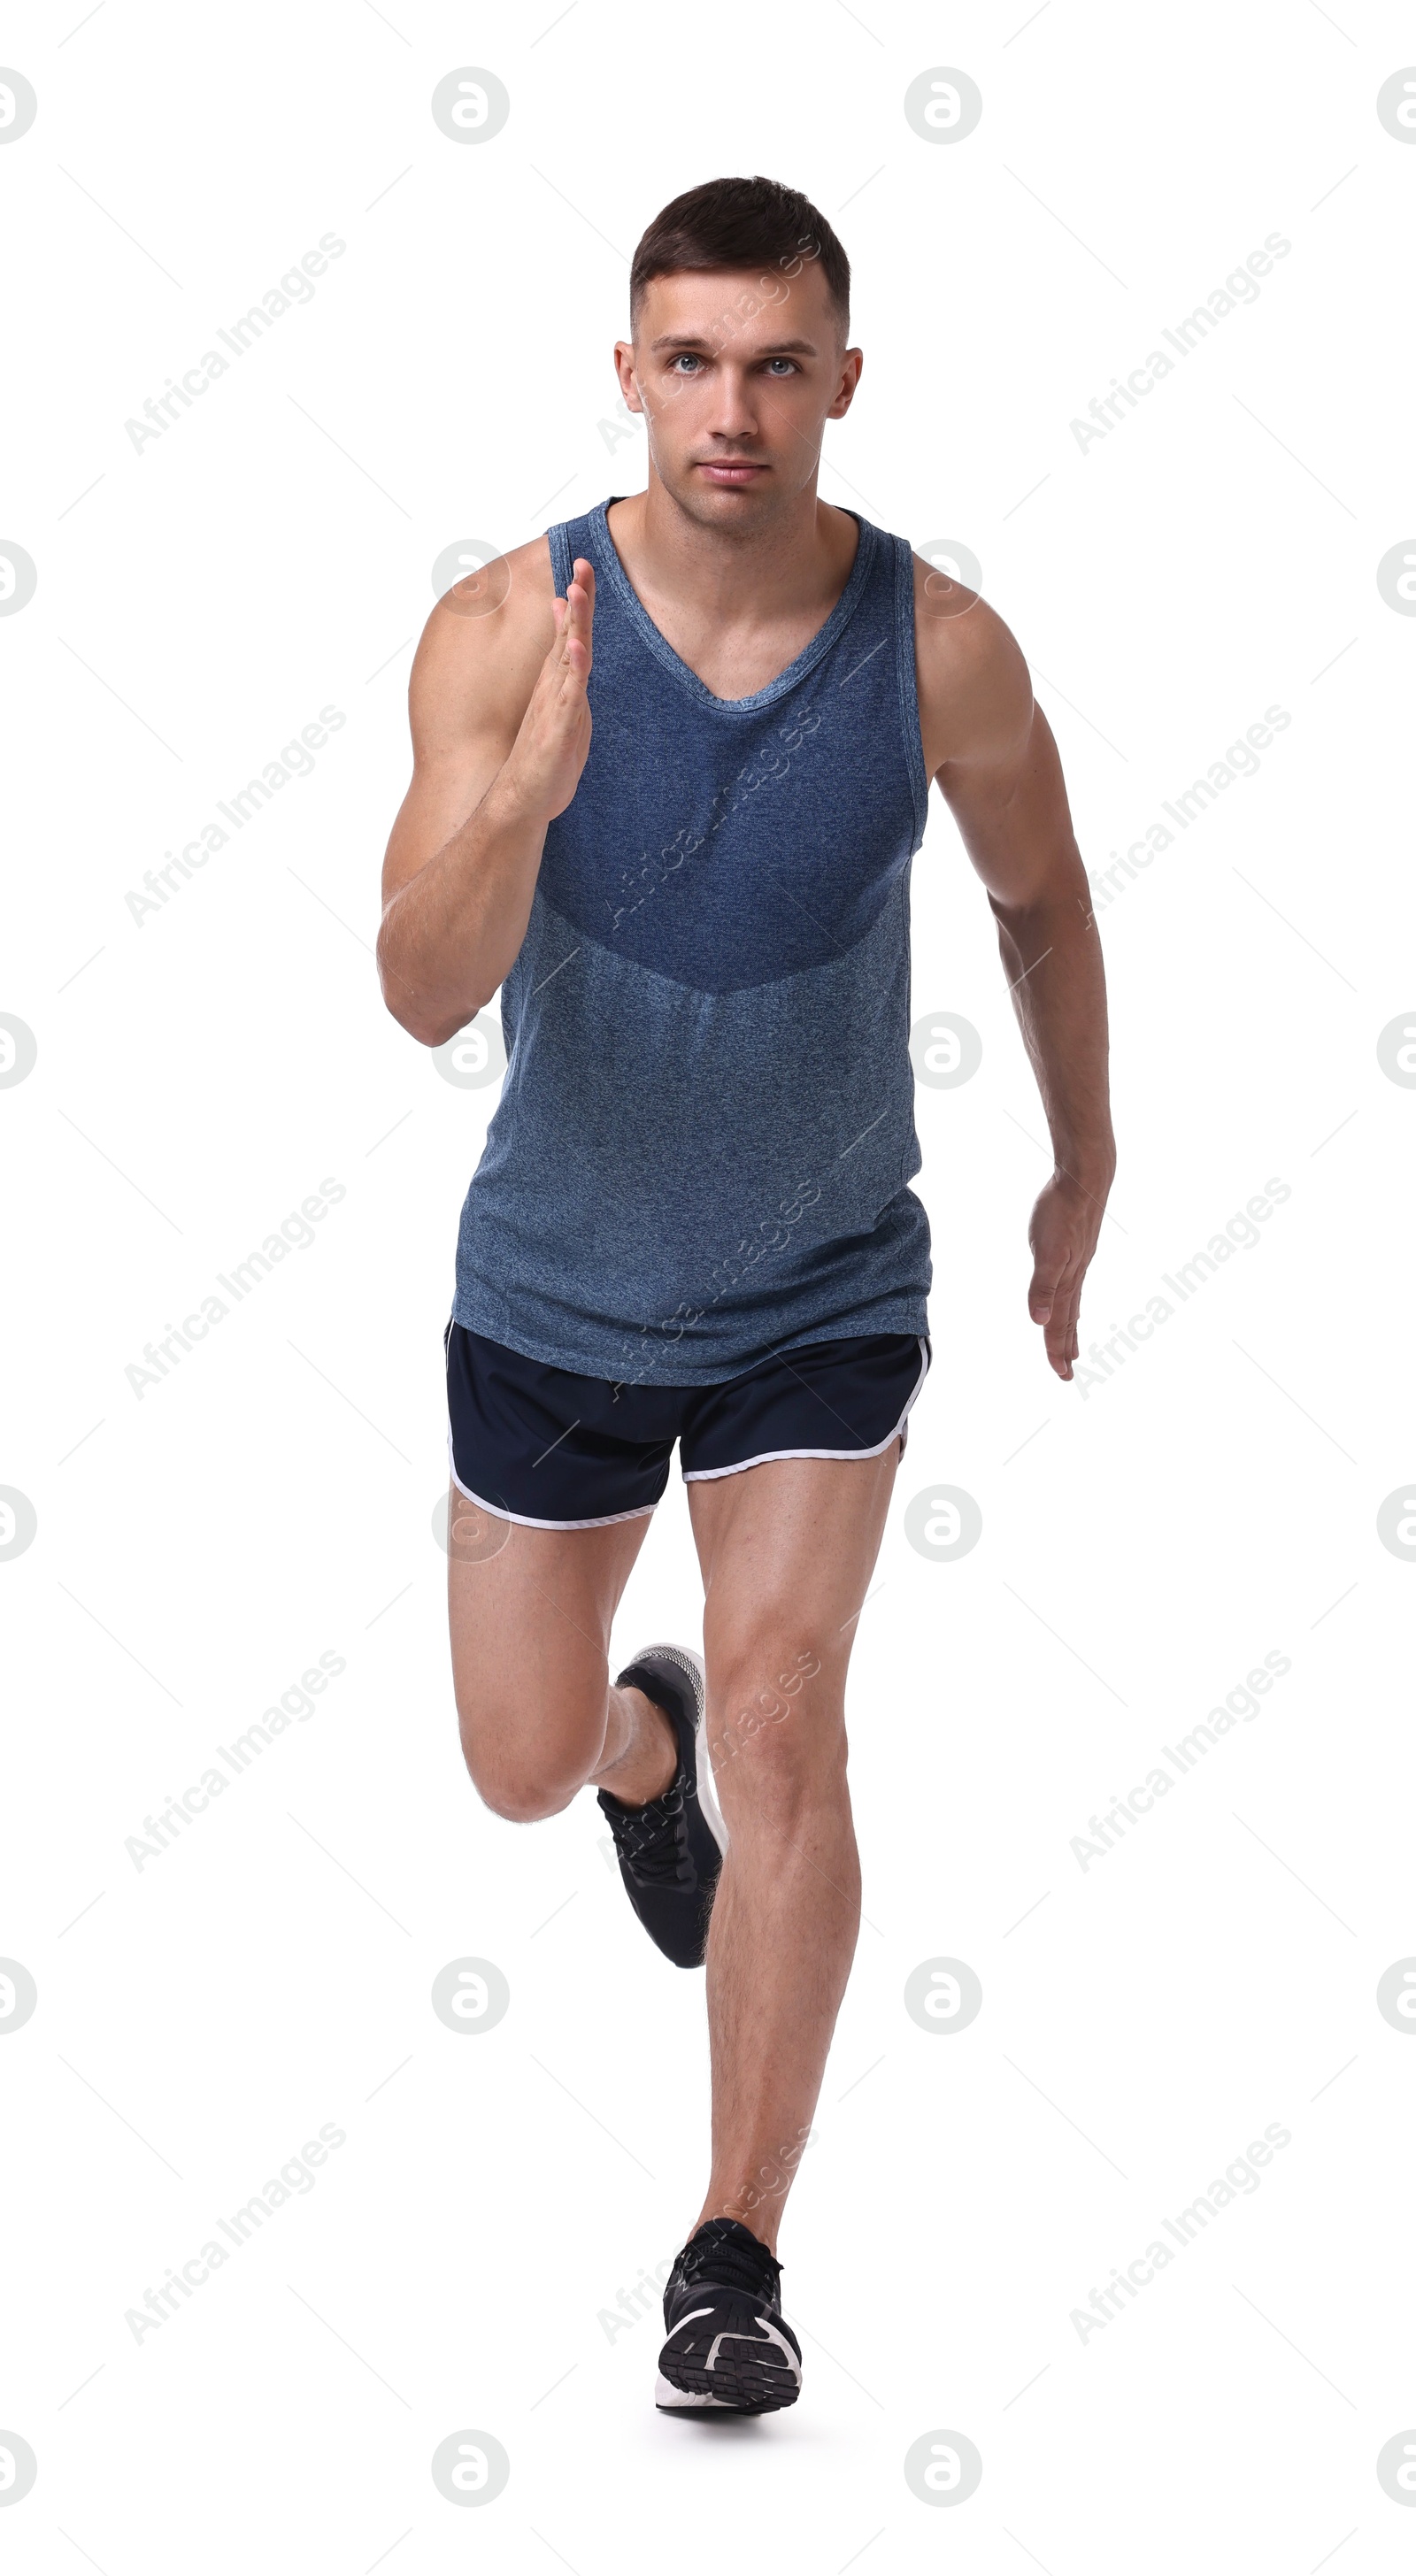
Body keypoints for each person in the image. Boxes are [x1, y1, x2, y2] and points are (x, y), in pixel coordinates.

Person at [376, 173, 1114, 2415]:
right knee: (517, 1765)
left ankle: (732, 2254)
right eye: (687, 360)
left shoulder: (937, 648)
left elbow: (1044, 898)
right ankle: (636, 1747)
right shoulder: (510, 627)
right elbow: (418, 993)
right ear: (626, 372)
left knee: (796, 1711)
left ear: (839, 384)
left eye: (775, 364)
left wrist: (1082, 1168)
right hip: (557, 1285)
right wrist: (516, 800)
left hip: (819, 1277)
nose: (731, 407)